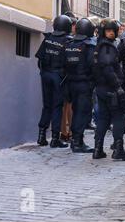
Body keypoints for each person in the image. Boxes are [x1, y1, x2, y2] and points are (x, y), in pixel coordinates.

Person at [92, 19, 125, 161]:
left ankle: (98, 149)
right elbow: (108, 68)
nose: (110, 33)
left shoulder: (101, 45)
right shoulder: (107, 47)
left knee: (103, 119)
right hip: (111, 89)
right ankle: (118, 149)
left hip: (102, 88)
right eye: (107, 30)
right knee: (119, 117)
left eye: (112, 30)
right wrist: (118, 87)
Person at [35, 15, 71, 148]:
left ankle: (41, 135)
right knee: (57, 107)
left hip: (45, 74)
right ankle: (55, 138)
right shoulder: (67, 41)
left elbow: (40, 60)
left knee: (47, 105)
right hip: (59, 77)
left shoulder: (48, 39)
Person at [65, 18, 96, 153]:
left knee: (76, 111)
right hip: (84, 83)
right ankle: (77, 142)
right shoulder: (89, 46)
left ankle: (76, 140)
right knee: (82, 113)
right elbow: (92, 66)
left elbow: (62, 64)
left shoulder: (69, 44)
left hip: (70, 83)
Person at [60, 12, 78, 142]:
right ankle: (68, 132)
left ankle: (64, 132)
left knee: (65, 105)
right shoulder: (70, 40)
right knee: (68, 105)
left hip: (60, 75)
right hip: (67, 76)